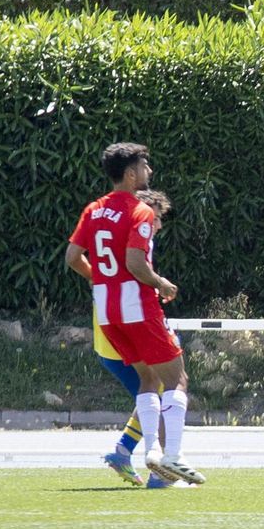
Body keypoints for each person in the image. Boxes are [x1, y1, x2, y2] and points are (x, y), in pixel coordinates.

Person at [65, 143, 205, 486]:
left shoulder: (94, 210)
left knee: (148, 380)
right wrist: (162, 283)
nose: (149, 173)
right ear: (130, 174)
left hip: (108, 309)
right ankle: (172, 455)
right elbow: (135, 263)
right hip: (138, 306)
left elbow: (72, 257)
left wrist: (102, 279)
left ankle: (151, 453)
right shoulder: (139, 211)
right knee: (176, 379)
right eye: (145, 166)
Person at [84, 190, 182, 489]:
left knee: (151, 390)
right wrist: (159, 285)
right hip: (123, 332)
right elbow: (135, 275)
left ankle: (125, 452)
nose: (158, 224)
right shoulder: (131, 249)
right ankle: (162, 471)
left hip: (109, 335)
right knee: (164, 391)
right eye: (156, 216)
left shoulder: (112, 246)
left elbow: (78, 259)